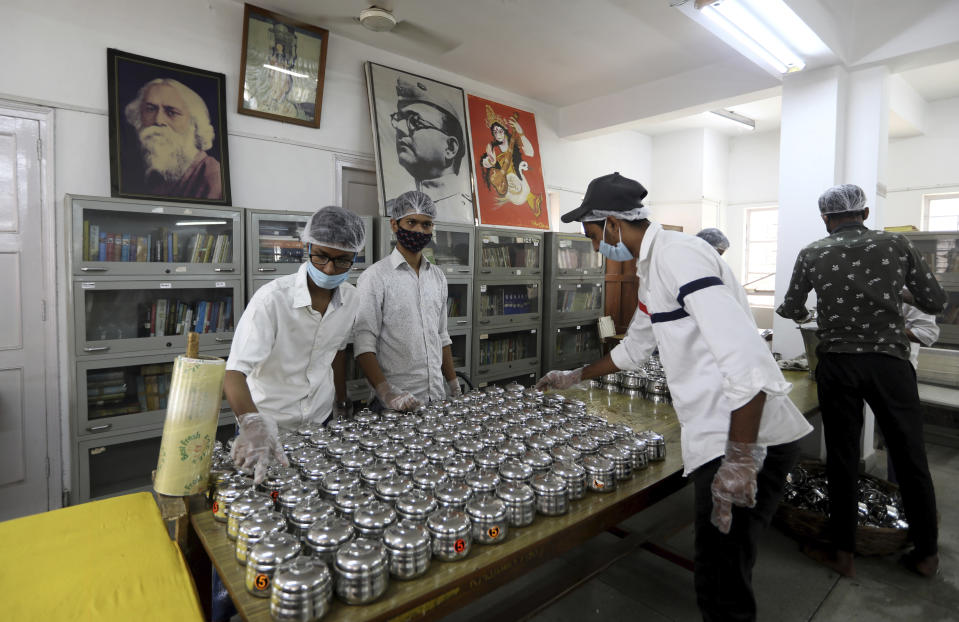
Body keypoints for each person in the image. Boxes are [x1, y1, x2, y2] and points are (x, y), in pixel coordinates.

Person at [536, 172, 812, 622]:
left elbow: (748, 364)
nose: (594, 248)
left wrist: (740, 461)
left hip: (741, 439)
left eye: (592, 236)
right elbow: (634, 349)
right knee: (724, 568)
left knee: (720, 583)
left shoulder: (680, 257)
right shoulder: (653, 269)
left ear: (611, 223)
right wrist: (575, 376)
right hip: (724, 434)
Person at [777, 184, 946, 578]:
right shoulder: (897, 245)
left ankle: (843, 554)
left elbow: (791, 307)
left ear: (826, 218)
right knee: (910, 457)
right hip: (890, 363)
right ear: (865, 213)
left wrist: (815, 302)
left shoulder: (812, 252)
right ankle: (927, 554)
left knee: (841, 457)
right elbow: (936, 302)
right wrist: (896, 292)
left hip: (838, 363)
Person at [225, 206, 365, 483]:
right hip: (267, 424)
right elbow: (234, 373)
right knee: (264, 498)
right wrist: (251, 424)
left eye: (342, 261)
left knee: (314, 496)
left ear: (355, 257)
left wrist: (340, 400)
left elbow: (336, 351)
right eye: (321, 256)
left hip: (319, 420)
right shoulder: (272, 300)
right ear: (307, 246)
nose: (328, 268)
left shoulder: (352, 299)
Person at [354, 190, 460, 411]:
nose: (419, 230)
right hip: (393, 404)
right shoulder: (375, 277)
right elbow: (364, 344)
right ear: (394, 225)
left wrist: (453, 386)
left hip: (435, 398)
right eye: (411, 222)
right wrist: (387, 393)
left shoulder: (437, 276)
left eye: (426, 224)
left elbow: (442, 336)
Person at [389, 76, 473, 222]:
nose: (400, 129)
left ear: (450, 147)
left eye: (415, 121)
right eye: (398, 119)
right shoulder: (392, 209)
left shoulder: (468, 212)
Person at [123, 78, 223, 200]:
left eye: (172, 112)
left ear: (194, 123)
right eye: (150, 109)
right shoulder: (153, 175)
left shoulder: (212, 175)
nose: (158, 120)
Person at [479, 104, 544, 217]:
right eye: (495, 132)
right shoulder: (493, 147)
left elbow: (530, 153)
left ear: (504, 130)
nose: (498, 134)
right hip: (505, 182)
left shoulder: (514, 141)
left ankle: (533, 200)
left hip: (517, 177)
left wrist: (521, 132)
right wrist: (490, 161)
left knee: (522, 194)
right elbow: (486, 162)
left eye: (500, 130)